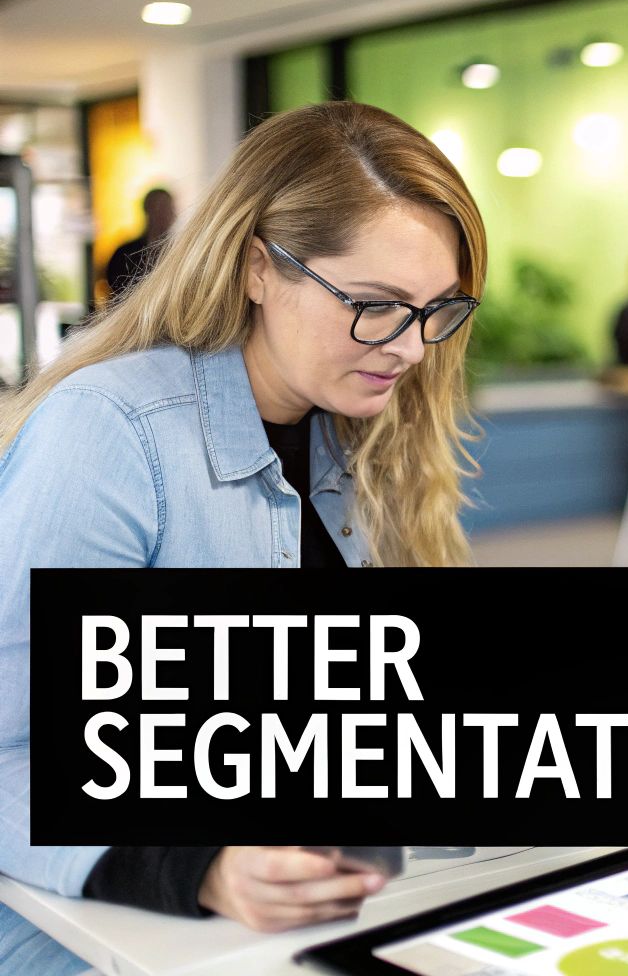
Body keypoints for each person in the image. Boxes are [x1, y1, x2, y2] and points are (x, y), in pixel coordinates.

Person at [0, 102, 486, 972]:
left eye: (436, 310)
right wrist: (205, 868)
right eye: (376, 307)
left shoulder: (360, 433)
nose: (412, 349)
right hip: (102, 938)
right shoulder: (114, 430)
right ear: (259, 268)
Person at [104, 187, 178, 300]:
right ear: (147, 211)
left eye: (167, 208)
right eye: (158, 208)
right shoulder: (125, 254)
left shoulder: (180, 250)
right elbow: (117, 290)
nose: (163, 215)